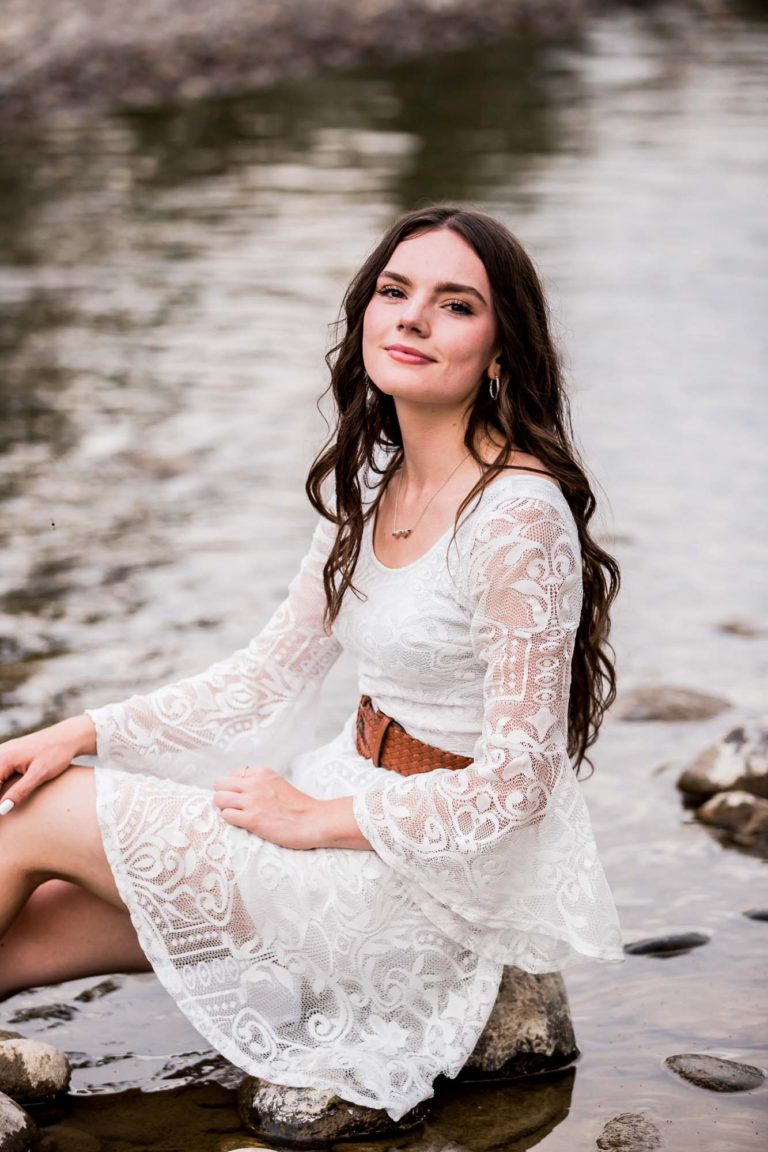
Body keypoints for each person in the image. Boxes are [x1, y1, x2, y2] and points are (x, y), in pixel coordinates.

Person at [0, 205, 622, 1121]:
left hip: (410, 879)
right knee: (37, 918)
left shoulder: (517, 515)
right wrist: (80, 728)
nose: (411, 317)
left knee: (40, 813)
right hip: (342, 810)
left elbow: (519, 785)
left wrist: (315, 817)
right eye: (394, 290)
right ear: (366, 313)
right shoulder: (378, 492)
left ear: (501, 353)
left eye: (454, 305)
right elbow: (261, 676)